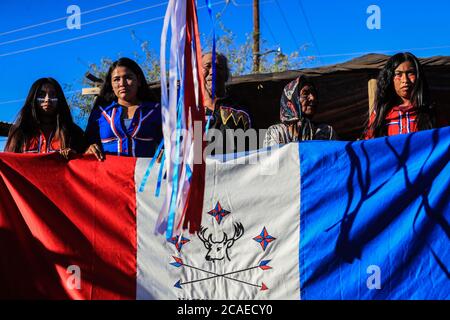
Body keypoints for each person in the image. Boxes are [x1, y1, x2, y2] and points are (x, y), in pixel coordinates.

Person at [85, 57, 162, 159]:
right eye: (116, 79)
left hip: (144, 173)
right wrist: (89, 148)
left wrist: (165, 151)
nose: (122, 84)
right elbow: (86, 143)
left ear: (138, 81)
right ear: (111, 85)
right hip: (108, 174)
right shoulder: (100, 113)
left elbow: (172, 141)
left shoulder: (155, 111)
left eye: (128, 77)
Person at [4, 77, 86, 158]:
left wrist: (75, 156)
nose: (47, 99)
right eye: (41, 95)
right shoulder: (20, 132)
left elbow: (84, 165)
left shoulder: (74, 132)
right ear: (33, 99)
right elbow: (9, 163)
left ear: (59, 99)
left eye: (53, 95)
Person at [363, 52, 436, 139]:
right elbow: (370, 144)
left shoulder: (431, 110)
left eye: (410, 73)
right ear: (390, 78)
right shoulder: (380, 113)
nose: (405, 80)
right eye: (398, 74)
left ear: (418, 76)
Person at [263, 75, 337, 147]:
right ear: (292, 99)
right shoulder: (276, 132)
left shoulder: (326, 131)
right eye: (305, 94)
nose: (313, 98)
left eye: (314, 93)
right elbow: (273, 158)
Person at [202, 52, 251, 155]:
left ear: (226, 74)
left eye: (218, 67)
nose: (212, 72)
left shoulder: (240, 111)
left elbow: (252, 151)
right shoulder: (188, 111)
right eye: (207, 66)